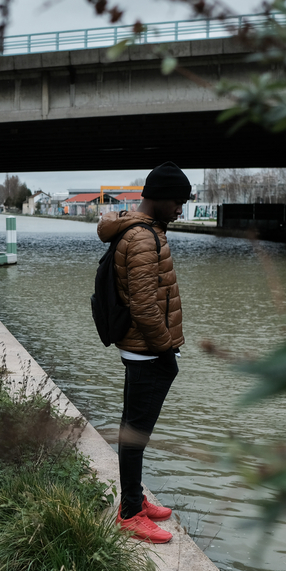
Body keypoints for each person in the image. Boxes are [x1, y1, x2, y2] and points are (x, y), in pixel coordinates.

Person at [96, 161, 190, 544]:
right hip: (147, 353)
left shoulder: (143, 231)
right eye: (178, 202)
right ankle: (131, 513)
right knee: (135, 434)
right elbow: (145, 307)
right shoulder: (142, 239)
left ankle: (135, 499)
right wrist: (166, 349)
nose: (181, 210)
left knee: (135, 431)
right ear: (162, 199)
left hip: (144, 351)